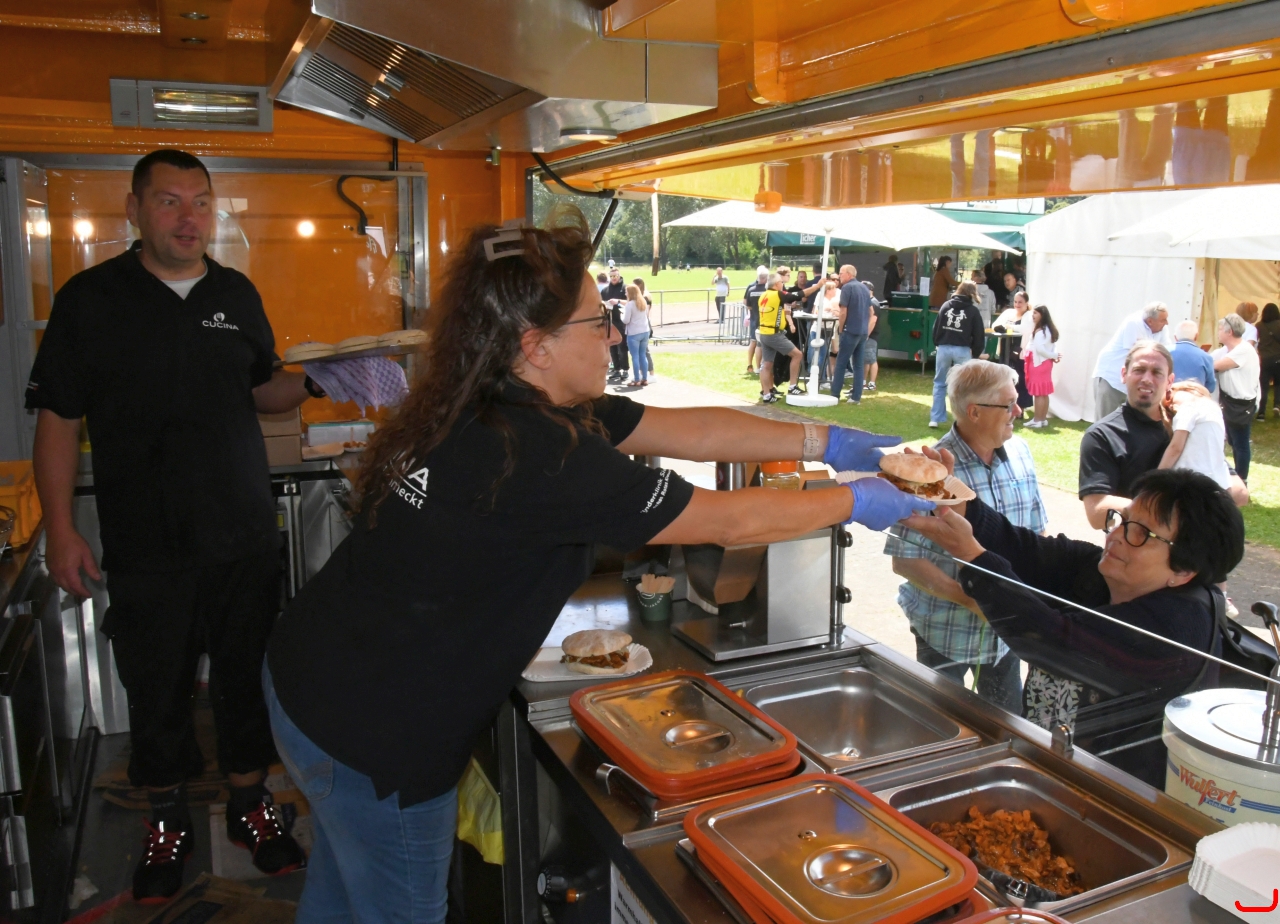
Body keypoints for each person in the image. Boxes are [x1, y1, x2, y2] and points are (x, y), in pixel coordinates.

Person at [264, 211, 933, 922]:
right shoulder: (541, 453)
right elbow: (729, 520)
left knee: (339, 899)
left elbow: (691, 427)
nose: (613, 334)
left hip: (311, 681)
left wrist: (826, 440)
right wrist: (855, 500)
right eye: (597, 321)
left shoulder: (500, 399)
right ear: (536, 345)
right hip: (374, 732)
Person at [25, 149, 308, 901]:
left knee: (246, 680)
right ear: (134, 209)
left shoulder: (235, 293)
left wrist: (319, 376)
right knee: (156, 690)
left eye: (201, 202)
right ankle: (166, 820)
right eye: (170, 201)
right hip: (145, 541)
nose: (189, 218)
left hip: (242, 532)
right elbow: (58, 420)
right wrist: (61, 528)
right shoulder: (91, 300)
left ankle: (251, 807)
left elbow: (263, 391)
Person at [906, 465, 1243, 787]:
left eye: (1141, 533)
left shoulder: (1176, 628)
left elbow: (1051, 640)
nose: (1117, 536)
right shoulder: (1105, 573)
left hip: (1120, 800)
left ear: (1184, 571)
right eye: (1123, 520)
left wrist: (970, 554)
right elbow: (1024, 549)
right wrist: (951, 494)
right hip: (1054, 772)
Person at [887, 361, 1047, 712]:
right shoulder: (931, 470)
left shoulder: (1021, 454)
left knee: (1006, 725)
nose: (1019, 411)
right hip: (945, 633)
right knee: (942, 723)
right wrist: (974, 601)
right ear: (975, 412)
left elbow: (1038, 535)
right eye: (1009, 404)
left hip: (1005, 637)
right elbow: (905, 561)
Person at [1078, 340, 1173, 529]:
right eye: (1139, 370)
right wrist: (1169, 510)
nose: (1147, 379)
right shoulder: (1102, 436)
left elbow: (1232, 485)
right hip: (1134, 543)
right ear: (1123, 374)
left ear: (1170, 381)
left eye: (1157, 372)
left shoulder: (1185, 427)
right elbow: (1097, 513)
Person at [1092, 301, 1172, 421]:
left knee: (1130, 422)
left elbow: (1166, 351)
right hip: (1111, 377)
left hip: (1132, 380)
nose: (1167, 323)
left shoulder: (1162, 328)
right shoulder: (1133, 323)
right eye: (1163, 320)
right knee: (1105, 419)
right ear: (1150, 321)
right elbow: (1135, 353)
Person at [929, 281, 987, 428]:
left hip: (943, 348)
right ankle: (962, 419)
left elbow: (936, 329)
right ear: (972, 293)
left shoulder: (946, 306)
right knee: (963, 387)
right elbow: (979, 335)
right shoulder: (973, 311)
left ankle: (935, 418)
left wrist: (938, 343)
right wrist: (975, 353)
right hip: (962, 349)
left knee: (939, 383)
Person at [1213, 312, 1261, 481]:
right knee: (1233, 441)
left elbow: (1216, 366)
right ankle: (1236, 476)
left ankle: (1242, 479)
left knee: (1240, 444)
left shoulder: (1243, 350)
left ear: (1230, 332)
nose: (1218, 332)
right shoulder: (1228, 350)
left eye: (1220, 329)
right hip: (1230, 402)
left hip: (1241, 405)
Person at [1160, 382, 1231, 489]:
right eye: (1169, 409)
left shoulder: (1189, 407)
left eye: (1169, 399)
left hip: (1189, 480)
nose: (1171, 406)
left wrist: (1157, 477)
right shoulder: (1213, 408)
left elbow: (1175, 448)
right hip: (1219, 479)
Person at [757, 273, 804, 403]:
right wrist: (817, 286)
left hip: (764, 332)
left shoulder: (763, 295)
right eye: (781, 282)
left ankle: (766, 394)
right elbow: (798, 295)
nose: (783, 284)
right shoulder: (777, 294)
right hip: (773, 334)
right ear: (777, 284)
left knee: (766, 364)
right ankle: (792, 386)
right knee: (797, 355)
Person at [831, 264, 872, 404]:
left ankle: (835, 394)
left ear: (849, 274)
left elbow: (843, 311)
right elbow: (871, 311)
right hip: (862, 331)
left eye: (841, 273)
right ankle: (856, 397)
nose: (839, 276)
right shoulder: (864, 288)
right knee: (858, 365)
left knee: (841, 363)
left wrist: (841, 328)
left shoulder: (847, 288)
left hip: (850, 330)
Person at [1023, 304, 1061, 428]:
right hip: (1045, 364)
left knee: (1039, 393)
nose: (1033, 315)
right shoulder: (1048, 329)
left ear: (1042, 315)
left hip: (1038, 363)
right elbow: (1052, 346)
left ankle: (1037, 420)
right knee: (1044, 392)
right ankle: (1042, 419)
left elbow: (1040, 349)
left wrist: (1053, 355)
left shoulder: (1040, 331)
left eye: (1035, 313)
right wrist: (1053, 355)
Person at [1170, 320, 1217, 393]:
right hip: (1195, 397)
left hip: (1167, 396)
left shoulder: (1162, 352)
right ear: (1196, 336)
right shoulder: (1206, 357)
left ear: (1175, 337)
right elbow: (1211, 387)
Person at [602, 268, 629, 383]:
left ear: (619, 276)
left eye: (616, 276)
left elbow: (630, 302)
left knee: (622, 347)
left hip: (621, 321)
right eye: (612, 276)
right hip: (609, 321)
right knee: (612, 347)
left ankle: (625, 369)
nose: (614, 278)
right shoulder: (605, 290)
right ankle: (616, 369)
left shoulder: (625, 288)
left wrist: (617, 301)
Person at [622, 283, 651, 387]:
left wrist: (621, 315)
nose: (625, 293)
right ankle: (645, 378)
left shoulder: (629, 305)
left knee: (635, 356)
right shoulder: (643, 301)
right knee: (643, 355)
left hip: (634, 333)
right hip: (645, 331)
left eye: (626, 292)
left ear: (630, 293)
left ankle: (636, 379)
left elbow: (626, 320)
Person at [743, 266, 769, 375]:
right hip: (765, 320)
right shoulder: (768, 290)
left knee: (754, 342)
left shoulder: (751, 288)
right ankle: (762, 366)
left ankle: (751, 365)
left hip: (754, 318)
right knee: (762, 344)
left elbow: (746, 304)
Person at [1257, 302, 1280, 418]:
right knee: (1278, 384)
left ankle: (1261, 412)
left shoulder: (1258, 326)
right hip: (1278, 358)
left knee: (1263, 386)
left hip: (1264, 359)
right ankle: (1277, 405)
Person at [632, 277, 656, 379]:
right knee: (640, 351)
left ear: (639, 285)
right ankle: (643, 373)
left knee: (644, 351)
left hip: (644, 325)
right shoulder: (642, 296)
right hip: (642, 325)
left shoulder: (645, 297)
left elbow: (645, 312)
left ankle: (651, 373)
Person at [863, 281, 880, 393]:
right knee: (866, 359)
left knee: (871, 359)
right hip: (869, 335)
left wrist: (866, 335)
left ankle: (872, 383)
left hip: (871, 335)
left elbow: (873, 320)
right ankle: (863, 382)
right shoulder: (870, 301)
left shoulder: (873, 303)